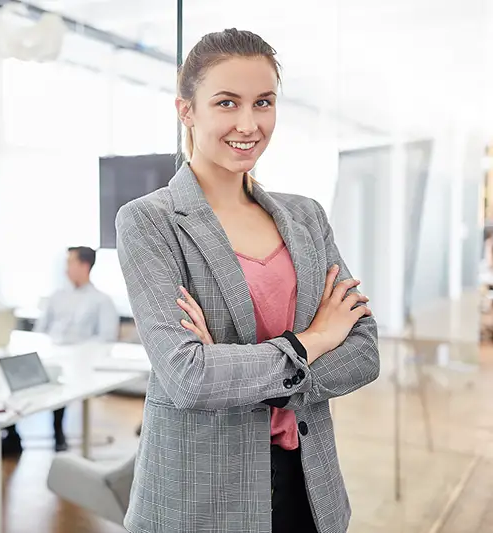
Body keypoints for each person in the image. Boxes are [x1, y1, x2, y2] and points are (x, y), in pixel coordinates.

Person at [115, 29, 380, 533]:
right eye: (226, 102)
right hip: (200, 492)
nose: (249, 123)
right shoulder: (150, 222)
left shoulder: (305, 218)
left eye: (263, 102)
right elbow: (187, 377)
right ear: (186, 111)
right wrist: (313, 341)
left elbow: (365, 352)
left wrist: (235, 369)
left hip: (308, 482)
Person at [3, 246, 118, 453]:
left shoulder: (102, 300)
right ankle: (11, 435)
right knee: (11, 373)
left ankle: (58, 431)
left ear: (84, 265)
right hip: (49, 355)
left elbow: (106, 339)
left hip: (77, 362)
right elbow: (40, 330)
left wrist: (76, 354)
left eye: (70, 263)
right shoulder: (56, 296)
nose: (66, 269)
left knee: (57, 376)